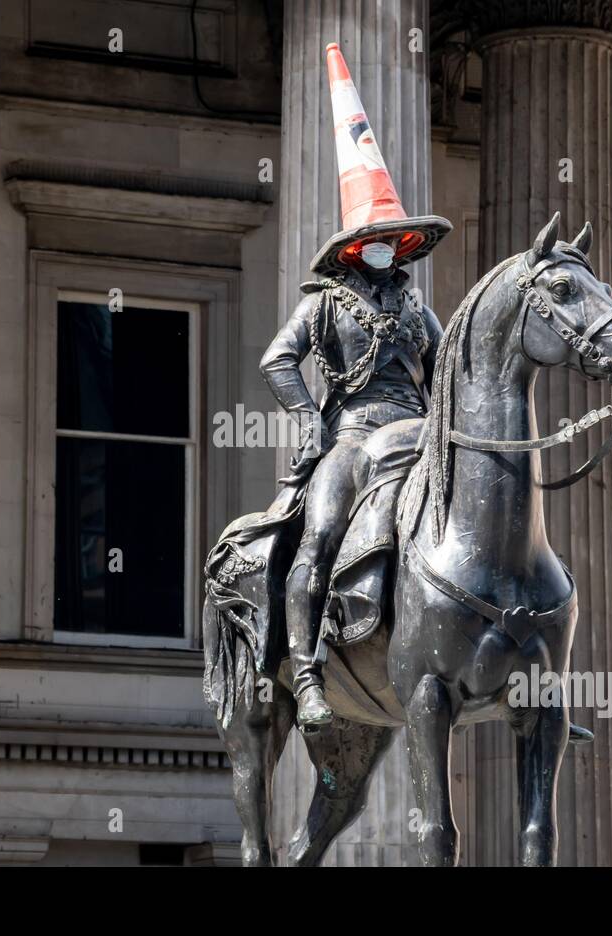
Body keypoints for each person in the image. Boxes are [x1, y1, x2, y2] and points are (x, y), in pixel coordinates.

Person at [259, 43, 452, 729]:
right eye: (376, 236)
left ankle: (511, 657)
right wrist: (310, 419)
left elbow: (447, 360)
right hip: (355, 433)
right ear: (352, 246)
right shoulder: (324, 304)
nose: (387, 246)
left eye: (394, 238)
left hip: (418, 429)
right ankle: (307, 672)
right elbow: (277, 361)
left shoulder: (414, 305)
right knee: (323, 533)